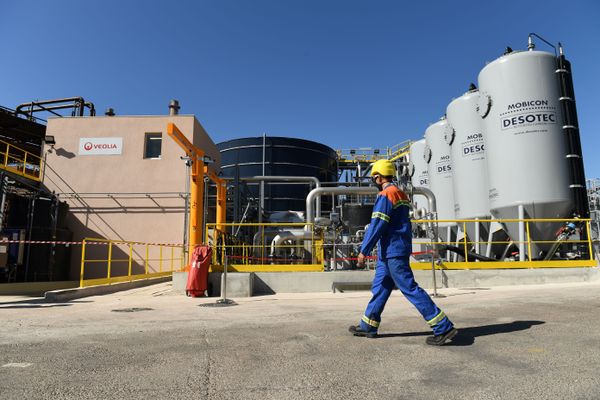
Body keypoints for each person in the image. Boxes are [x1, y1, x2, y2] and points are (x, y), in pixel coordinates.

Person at [349, 159, 457, 345]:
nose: (373, 181)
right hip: (391, 250)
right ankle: (368, 325)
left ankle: (443, 327)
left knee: (409, 288)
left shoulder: (386, 194)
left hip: (393, 251)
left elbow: (377, 225)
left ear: (378, 177)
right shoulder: (400, 194)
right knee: (380, 288)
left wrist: (363, 250)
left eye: (374, 177)